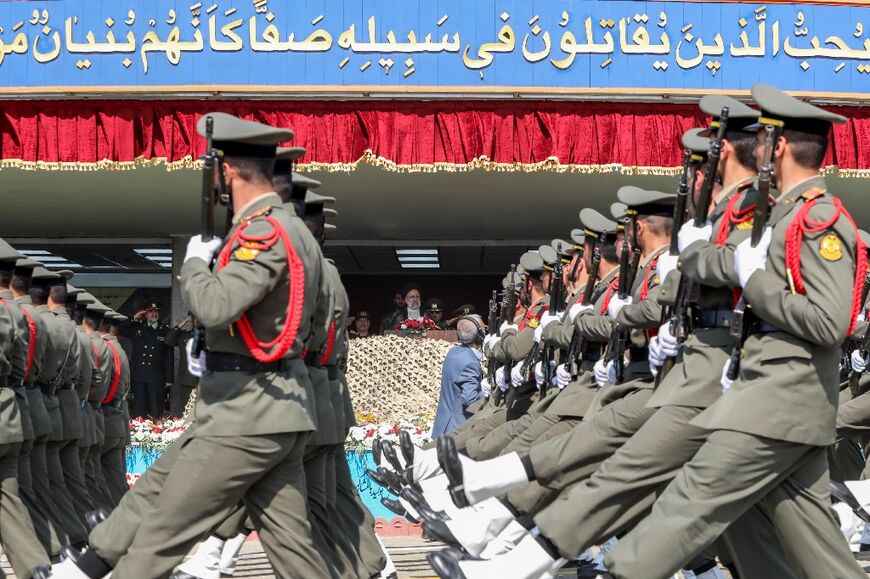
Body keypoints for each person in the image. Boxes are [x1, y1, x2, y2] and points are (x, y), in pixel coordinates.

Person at [47, 112, 331, 579]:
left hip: (247, 412)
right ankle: (86, 565)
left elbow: (218, 305)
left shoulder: (264, 231)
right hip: (266, 406)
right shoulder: (284, 229)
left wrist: (196, 265)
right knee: (293, 552)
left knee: (158, 539)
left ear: (229, 172)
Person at [432, 315, 486, 437]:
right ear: (479, 336)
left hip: (443, 426)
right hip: (457, 430)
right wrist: (488, 391)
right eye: (484, 329)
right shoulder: (471, 362)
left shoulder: (453, 352)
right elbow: (471, 400)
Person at [121, 303, 173, 418]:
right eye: (150, 311)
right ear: (145, 313)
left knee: (155, 408)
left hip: (156, 375)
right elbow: (120, 329)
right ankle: (139, 432)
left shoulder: (165, 330)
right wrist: (134, 317)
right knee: (139, 407)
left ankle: (156, 433)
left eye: (156, 311)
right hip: (139, 374)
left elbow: (169, 355)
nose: (154, 314)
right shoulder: (137, 327)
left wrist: (169, 378)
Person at [164, 314, 197, 418]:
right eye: (195, 318)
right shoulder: (184, 335)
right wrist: (182, 324)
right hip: (186, 378)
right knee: (186, 409)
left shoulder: (209, 335)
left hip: (205, 378)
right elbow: (168, 341)